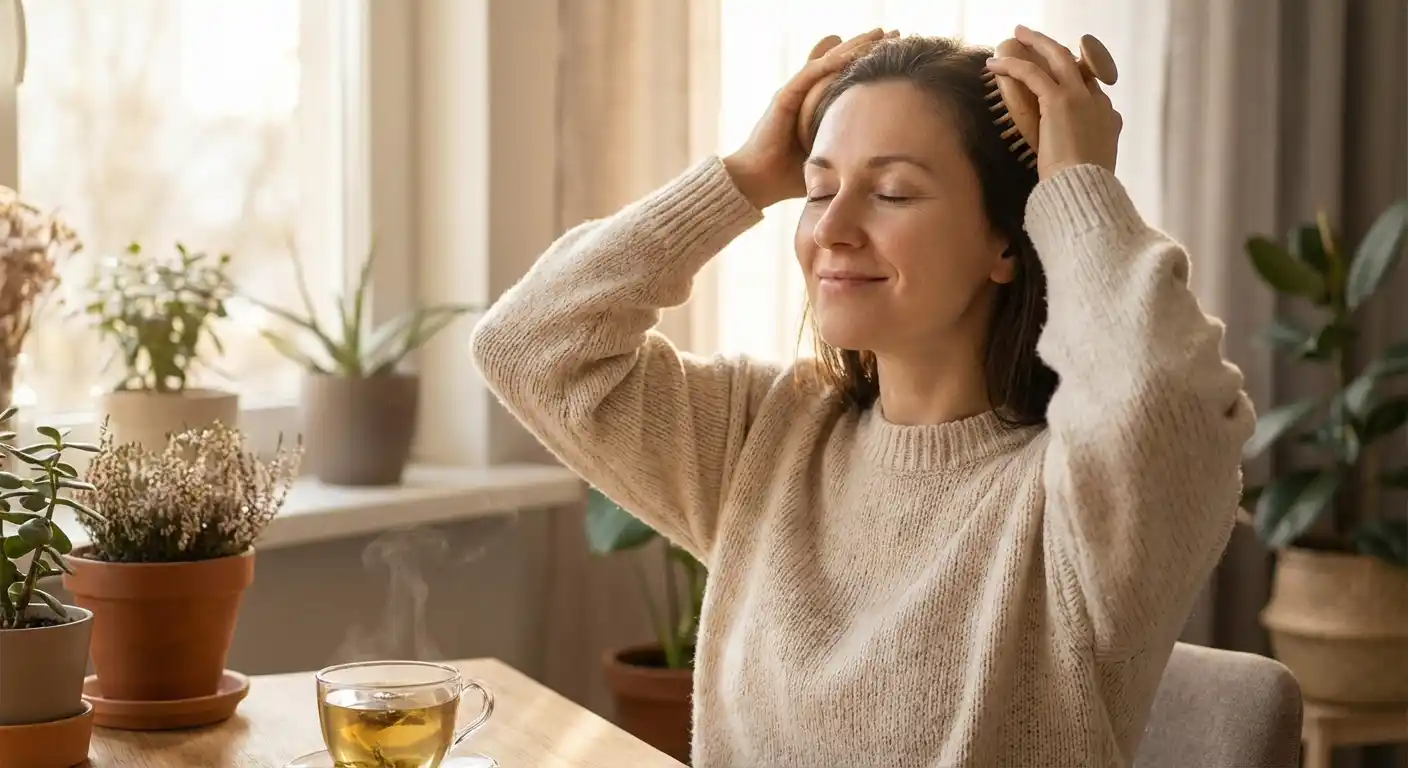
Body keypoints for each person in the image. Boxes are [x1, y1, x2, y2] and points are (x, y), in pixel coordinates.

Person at [471, 25, 1254, 768]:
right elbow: (528, 346)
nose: (831, 229)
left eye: (893, 193)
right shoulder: (768, 437)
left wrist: (1079, 184)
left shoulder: (1083, 497)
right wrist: (744, 178)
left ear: (1009, 242)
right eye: (820, 191)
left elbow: (1158, 401)